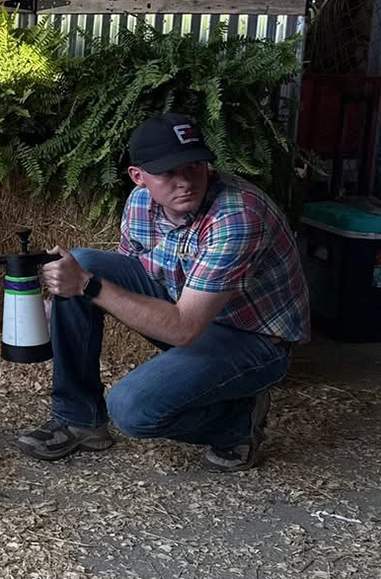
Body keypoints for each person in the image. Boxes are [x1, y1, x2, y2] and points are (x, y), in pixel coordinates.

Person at [17, 113, 309, 472]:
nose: (186, 182)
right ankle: (78, 419)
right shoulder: (140, 203)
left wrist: (87, 286)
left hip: (253, 340)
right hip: (192, 312)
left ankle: (237, 420)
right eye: (168, 172)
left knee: (133, 409)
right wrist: (63, 302)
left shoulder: (237, 216)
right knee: (82, 261)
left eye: (194, 167)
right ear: (138, 177)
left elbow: (183, 328)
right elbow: (126, 281)